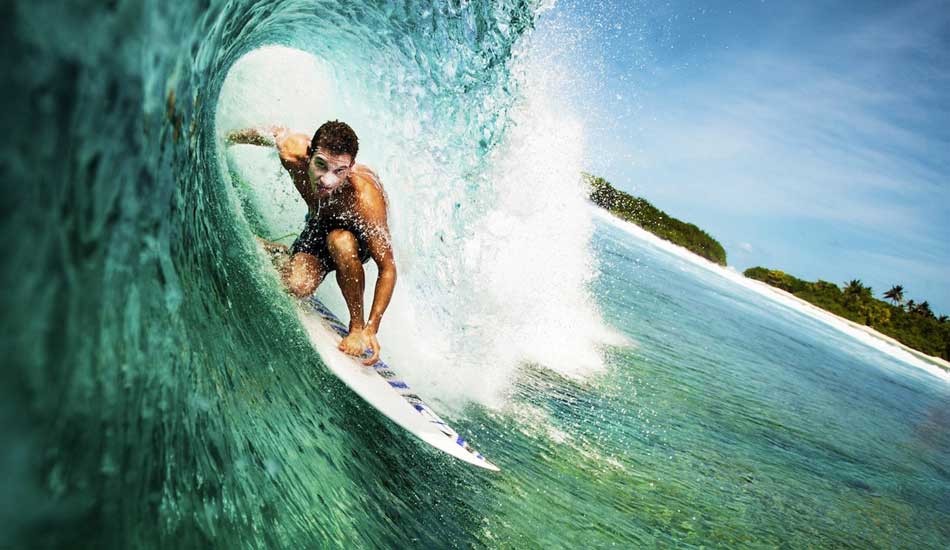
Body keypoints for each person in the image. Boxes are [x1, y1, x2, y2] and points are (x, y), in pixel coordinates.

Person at [225, 120, 396, 365]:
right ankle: (280, 252)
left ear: (350, 168)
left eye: (339, 171)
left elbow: (388, 267)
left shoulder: (365, 200)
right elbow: (273, 133)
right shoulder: (293, 152)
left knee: (341, 241)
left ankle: (355, 326)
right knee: (297, 285)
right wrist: (227, 138)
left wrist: (370, 328)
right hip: (321, 221)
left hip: (359, 238)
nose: (327, 180)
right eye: (321, 165)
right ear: (309, 154)